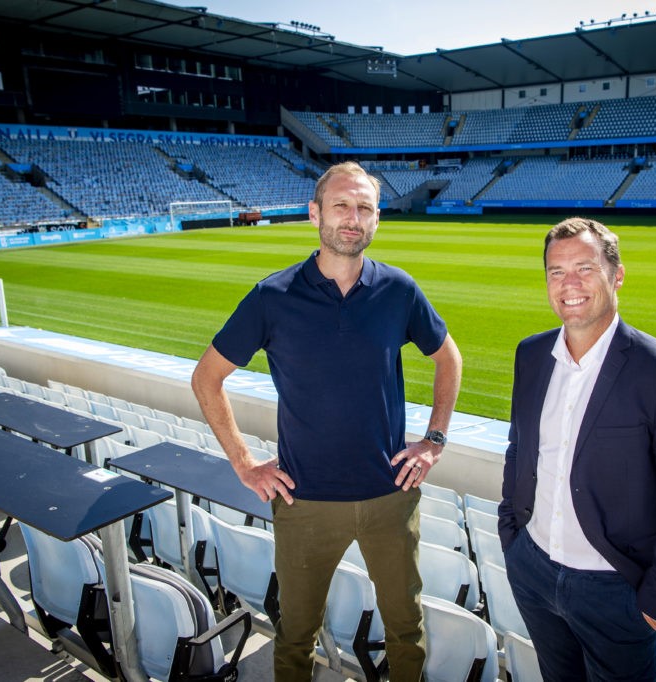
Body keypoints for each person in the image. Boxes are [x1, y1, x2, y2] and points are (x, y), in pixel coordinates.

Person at [191, 161, 462, 681]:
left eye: (364, 208)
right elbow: (207, 378)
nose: (352, 218)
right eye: (341, 205)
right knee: (295, 634)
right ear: (315, 213)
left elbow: (448, 358)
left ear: (377, 219)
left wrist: (433, 441)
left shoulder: (398, 290)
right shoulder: (273, 296)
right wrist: (246, 465)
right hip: (305, 501)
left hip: (389, 495)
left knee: (406, 628)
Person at [498, 217, 656, 682]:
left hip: (615, 591)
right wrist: (512, 541)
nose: (569, 284)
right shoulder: (531, 354)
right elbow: (521, 450)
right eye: (556, 272)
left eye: (585, 268)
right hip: (533, 571)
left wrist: (654, 605)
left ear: (617, 275)